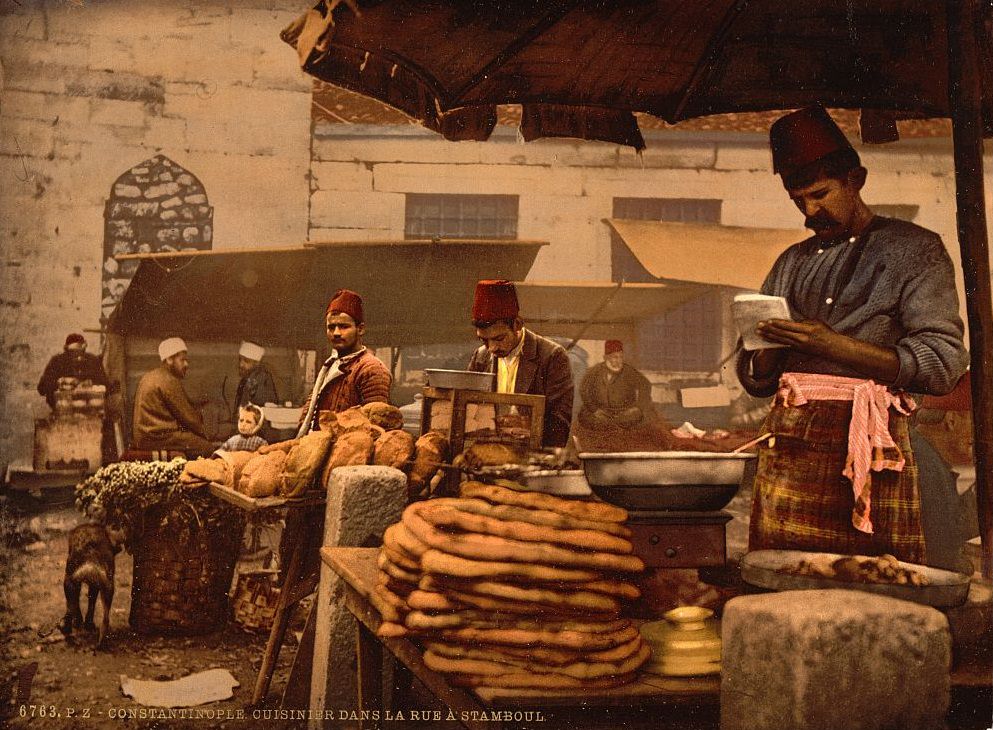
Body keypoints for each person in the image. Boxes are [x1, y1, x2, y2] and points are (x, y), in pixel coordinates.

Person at [736, 105, 968, 564]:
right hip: (794, 450)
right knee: (791, 574)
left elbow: (943, 364)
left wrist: (831, 345)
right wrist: (764, 348)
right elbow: (755, 379)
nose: (809, 212)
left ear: (855, 179)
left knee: (880, 576)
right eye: (798, 200)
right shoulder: (791, 263)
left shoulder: (913, 250)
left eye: (820, 194)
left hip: (878, 447)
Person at [467, 279, 574, 448]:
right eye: (484, 340)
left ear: (517, 324)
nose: (492, 348)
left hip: (531, 459)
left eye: (499, 338)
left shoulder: (552, 356)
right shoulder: (480, 357)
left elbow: (559, 426)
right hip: (488, 456)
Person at [297, 288, 392, 436]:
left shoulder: (372, 369)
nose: (336, 333)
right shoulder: (330, 365)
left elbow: (375, 428)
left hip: (348, 453)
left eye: (343, 326)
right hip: (318, 447)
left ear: (360, 329)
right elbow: (309, 415)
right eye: (331, 327)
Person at [132, 337, 216, 456]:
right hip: (156, 438)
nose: (186, 364)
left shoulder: (151, 376)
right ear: (170, 359)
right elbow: (189, 419)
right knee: (207, 448)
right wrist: (207, 433)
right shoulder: (169, 380)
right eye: (182, 360)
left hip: (145, 437)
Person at [578, 340, 657, 430]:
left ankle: (609, 425)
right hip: (601, 412)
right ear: (606, 358)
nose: (619, 360)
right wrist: (594, 409)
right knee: (584, 415)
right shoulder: (595, 371)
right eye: (615, 357)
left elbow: (645, 385)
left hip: (623, 412)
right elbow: (583, 390)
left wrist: (638, 407)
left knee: (637, 415)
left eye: (621, 357)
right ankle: (613, 426)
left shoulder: (629, 371)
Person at [37, 333, 111, 410]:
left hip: (90, 410)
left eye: (79, 352)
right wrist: (61, 383)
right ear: (66, 350)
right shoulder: (57, 361)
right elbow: (42, 388)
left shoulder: (93, 361)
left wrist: (90, 384)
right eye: (72, 352)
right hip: (62, 410)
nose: (77, 357)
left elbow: (106, 386)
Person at [234, 341, 278, 414]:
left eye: (246, 361)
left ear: (256, 363)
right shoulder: (247, 379)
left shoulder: (261, 378)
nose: (241, 364)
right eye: (240, 359)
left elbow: (257, 409)